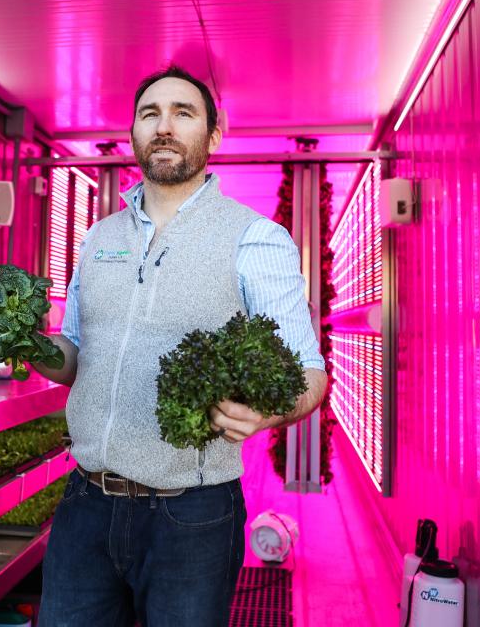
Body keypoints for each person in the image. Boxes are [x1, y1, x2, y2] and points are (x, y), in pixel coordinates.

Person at [31, 65, 327, 626]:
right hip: (85, 505)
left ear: (213, 136)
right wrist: (29, 345)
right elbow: (76, 359)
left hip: (192, 516)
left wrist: (264, 412)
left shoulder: (256, 238)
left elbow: (309, 372)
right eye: (150, 114)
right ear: (134, 133)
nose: (164, 126)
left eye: (183, 113)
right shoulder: (99, 237)